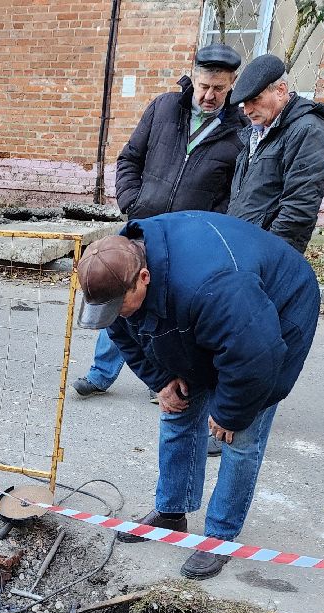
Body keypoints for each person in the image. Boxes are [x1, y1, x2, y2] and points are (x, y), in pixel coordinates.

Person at [75, 212, 320, 580]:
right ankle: (172, 511)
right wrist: (162, 380)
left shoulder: (213, 286)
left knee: (240, 435)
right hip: (214, 317)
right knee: (176, 410)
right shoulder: (120, 272)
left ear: (143, 278)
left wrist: (229, 412)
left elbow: (256, 357)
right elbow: (121, 329)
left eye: (119, 305)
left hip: (276, 314)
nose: (115, 314)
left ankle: (221, 536)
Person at [75, 44, 245, 460]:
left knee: (166, 309)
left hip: (187, 243)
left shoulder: (238, 129)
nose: (209, 95)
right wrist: (131, 199)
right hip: (141, 225)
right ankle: (102, 372)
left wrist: (206, 230)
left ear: (232, 86)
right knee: (119, 295)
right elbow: (130, 157)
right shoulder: (165, 108)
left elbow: (233, 194)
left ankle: (171, 378)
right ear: (193, 77)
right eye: (204, 86)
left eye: (219, 89)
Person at [227, 54, 324, 254]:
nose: (247, 110)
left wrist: (271, 256)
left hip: (266, 254)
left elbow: (299, 209)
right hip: (242, 247)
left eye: (255, 100)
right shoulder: (257, 130)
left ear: (281, 91)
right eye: (244, 103)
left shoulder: (308, 130)